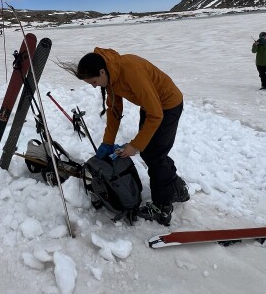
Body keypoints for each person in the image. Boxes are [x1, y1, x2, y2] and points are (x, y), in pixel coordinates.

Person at [63, 48, 190, 225]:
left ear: (101, 72)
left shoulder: (131, 71)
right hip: (151, 107)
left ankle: (162, 208)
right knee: (150, 152)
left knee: (155, 155)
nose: (94, 86)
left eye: (94, 81)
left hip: (167, 106)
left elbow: (157, 115)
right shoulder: (111, 76)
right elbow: (114, 110)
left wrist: (135, 145)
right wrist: (107, 142)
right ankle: (175, 187)